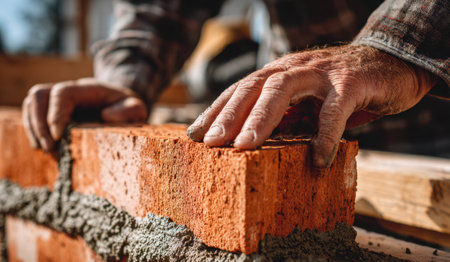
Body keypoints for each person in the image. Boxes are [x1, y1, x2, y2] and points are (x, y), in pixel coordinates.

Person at [22, 0, 448, 168]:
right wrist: (126, 75)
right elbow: (161, 9)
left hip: (433, 140)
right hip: (297, 129)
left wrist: (400, 50)